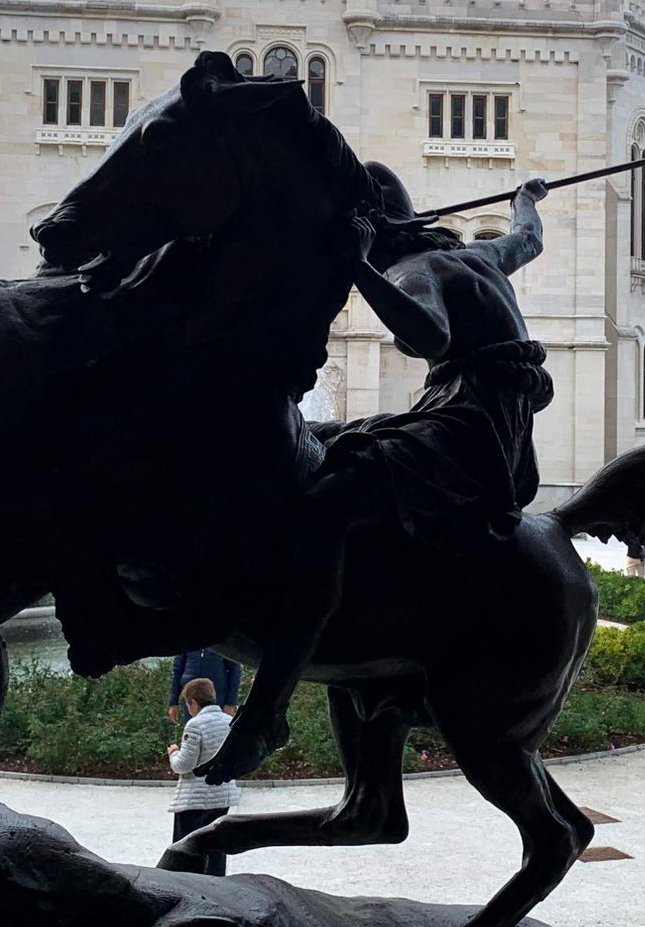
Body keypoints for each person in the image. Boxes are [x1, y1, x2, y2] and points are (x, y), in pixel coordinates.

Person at [207, 164, 551, 782]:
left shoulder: (411, 271)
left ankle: (265, 711)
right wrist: (527, 198)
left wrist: (358, 266)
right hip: (486, 431)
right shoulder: (483, 256)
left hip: (463, 436)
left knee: (328, 501)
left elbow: (429, 334)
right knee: (314, 439)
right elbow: (529, 237)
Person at [166, 676, 239, 875]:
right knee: (216, 848)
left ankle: (187, 891)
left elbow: (184, 765)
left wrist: (173, 753)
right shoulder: (230, 721)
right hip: (222, 795)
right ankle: (216, 890)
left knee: (186, 849)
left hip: (195, 799)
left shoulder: (195, 725)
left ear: (194, 703)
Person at [166, 648, 242, 724]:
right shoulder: (185, 640)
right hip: (191, 699)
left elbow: (235, 671)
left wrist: (230, 703)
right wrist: (173, 703)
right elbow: (177, 671)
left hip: (217, 698)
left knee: (216, 730)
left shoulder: (223, 642)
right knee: (193, 728)